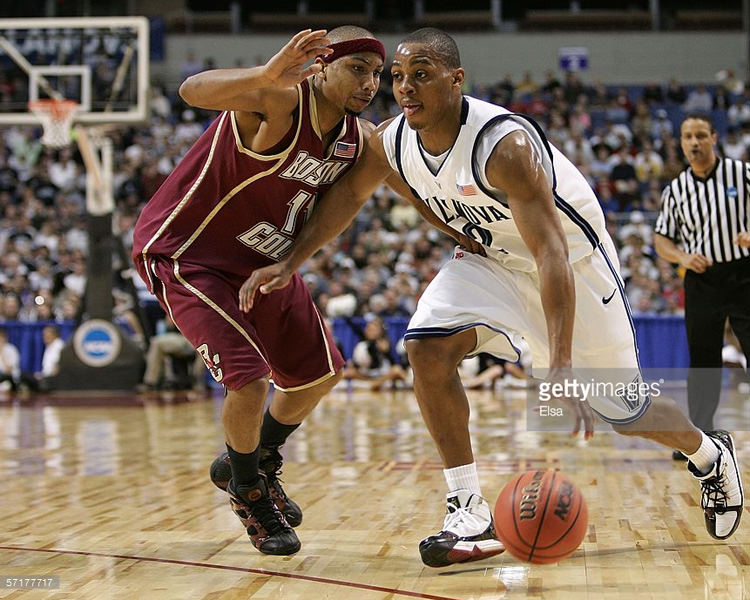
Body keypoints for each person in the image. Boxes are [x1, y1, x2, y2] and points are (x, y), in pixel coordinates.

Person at [241, 29, 744, 567]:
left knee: (621, 409)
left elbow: (551, 254)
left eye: (422, 75)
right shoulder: (391, 141)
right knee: (426, 348)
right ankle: (467, 509)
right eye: (399, 77)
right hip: (493, 262)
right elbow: (350, 193)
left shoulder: (504, 145)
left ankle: (710, 454)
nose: (405, 88)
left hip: (573, 269)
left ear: (456, 79)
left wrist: (564, 365)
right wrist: (292, 261)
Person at [131, 27, 392, 556]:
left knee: (318, 376)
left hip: (262, 260)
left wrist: (291, 262)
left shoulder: (361, 141)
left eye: (376, 72)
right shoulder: (279, 100)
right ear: (321, 66)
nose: (370, 82)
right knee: (249, 383)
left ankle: (253, 460)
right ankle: (249, 491)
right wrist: (267, 72)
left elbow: (346, 202)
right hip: (189, 254)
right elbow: (192, 90)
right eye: (357, 68)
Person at [654, 113, 750, 457]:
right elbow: (661, 238)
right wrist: (681, 257)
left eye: (700, 135)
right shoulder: (676, 189)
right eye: (687, 137)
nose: (693, 142)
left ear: (713, 138)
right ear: (681, 143)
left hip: (743, 273)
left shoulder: (741, 173)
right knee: (704, 361)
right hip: (702, 280)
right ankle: (703, 439)